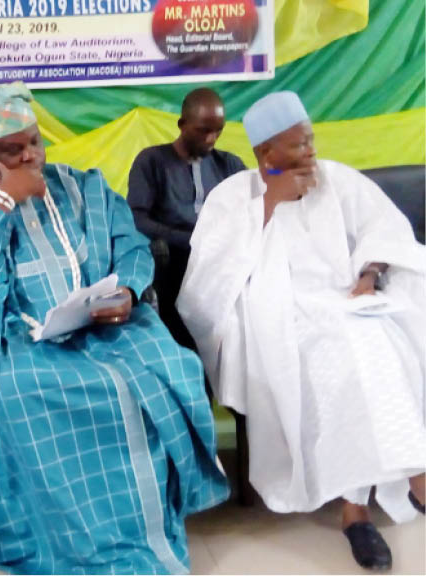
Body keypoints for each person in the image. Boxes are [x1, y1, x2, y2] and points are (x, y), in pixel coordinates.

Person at [0, 82, 228, 574]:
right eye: (10, 150)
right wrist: (2, 203)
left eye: (33, 142)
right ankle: (64, 533)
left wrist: (127, 290)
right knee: (20, 390)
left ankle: (144, 523)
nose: (27, 156)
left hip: (107, 324)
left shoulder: (83, 186)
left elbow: (131, 245)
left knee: (168, 365)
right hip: (20, 333)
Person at [177, 91, 426, 570]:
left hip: (349, 301)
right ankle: (361, 509)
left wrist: (369, 274)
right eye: (298, 145)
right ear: (266, 153)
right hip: (279, 314)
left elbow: (384, 229)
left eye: (310, 140)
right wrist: (270, 205)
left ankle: (391, 486)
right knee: (340, 358)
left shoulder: (336, 179)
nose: (311, 152)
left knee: (386, 344)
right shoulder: (233, 197)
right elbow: (208, 282)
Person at [127, 88, 245, 347]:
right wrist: (191, 240)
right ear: (182, 124)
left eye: (218, 131)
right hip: (173, 262)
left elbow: (251, 212)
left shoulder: (230, 165)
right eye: (203, 130)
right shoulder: (152, 162)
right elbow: (136, 217)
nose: (211, 139)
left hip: (221, 263)